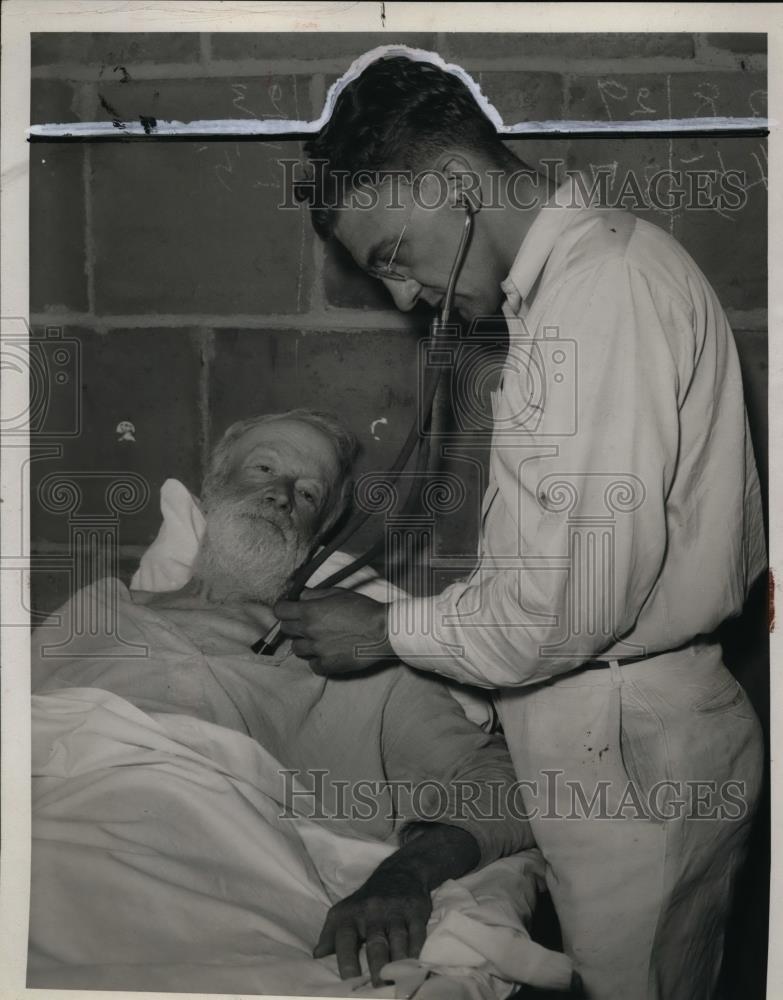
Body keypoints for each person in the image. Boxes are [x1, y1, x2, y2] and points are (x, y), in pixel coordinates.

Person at [277, 54, 767, 999]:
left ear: (456, 183)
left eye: (391, 256)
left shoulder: (599, 298)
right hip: (607, 736)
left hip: (630, 751)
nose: (402, 298)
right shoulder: (567, 296)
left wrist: (381, 631)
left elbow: (565, 608)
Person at [31, 408, 542, 992]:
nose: (279, 496)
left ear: (319, 535)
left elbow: (504, 782)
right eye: (264, 469)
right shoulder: (94, 611)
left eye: (306, 492)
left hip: (198, 854)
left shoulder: (363, 661)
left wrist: (404, 873)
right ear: (211, 487)